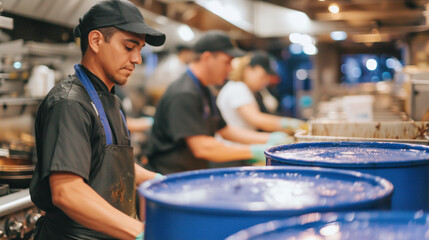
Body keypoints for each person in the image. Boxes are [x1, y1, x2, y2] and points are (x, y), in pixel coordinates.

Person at [29, 1, 165, 239]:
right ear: (95, 41)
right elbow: (67, 192)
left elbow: (104, 164)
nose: (137, 59)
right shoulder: (70, 102)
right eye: (129, 47)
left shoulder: (110, 99)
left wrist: (161, 183)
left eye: (140, 49)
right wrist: (142, 232)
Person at [145, 30, 291, 174]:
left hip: (191, 172)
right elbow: (202, 147)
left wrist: (271, 139)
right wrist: (253, 151)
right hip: (168, 177)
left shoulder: (204, 89)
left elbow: (225, 130)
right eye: (226, 62)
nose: (230, 69)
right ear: (207, 57)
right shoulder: (184, 92)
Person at [217, 51, 307, 135]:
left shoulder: (250, 90)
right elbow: (256, 119)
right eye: (262, 76)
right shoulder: (237, 88)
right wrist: (290, 124)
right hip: (234, 147)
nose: (265, 82)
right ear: (249, 70)